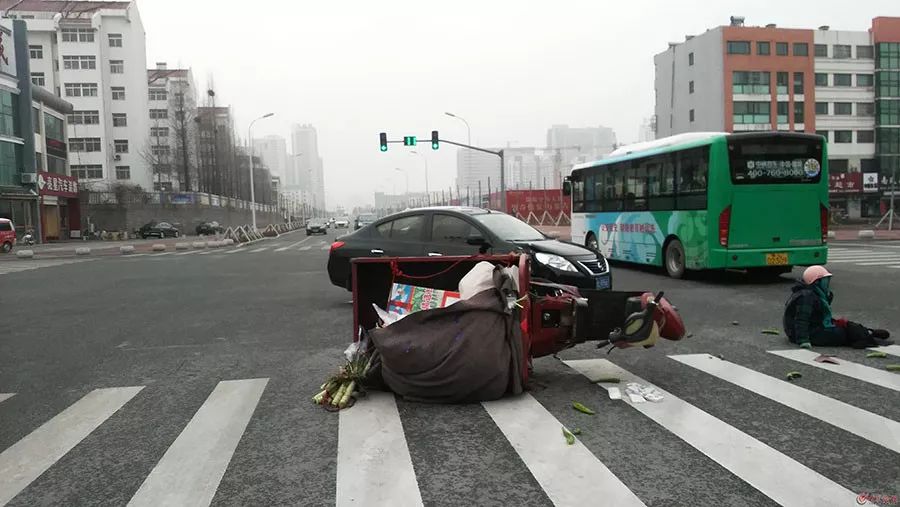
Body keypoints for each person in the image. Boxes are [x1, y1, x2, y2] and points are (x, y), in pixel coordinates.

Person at [783, 266, 890, 349]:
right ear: (816, 282)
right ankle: (868, 336)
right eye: (825, 280)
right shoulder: (807, 296)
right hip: (805, 333)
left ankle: (868, 332)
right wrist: (803, 340)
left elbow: (819, 316)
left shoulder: (814, 293)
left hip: (814, 327)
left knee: (846, 324)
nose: (827, 283)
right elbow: (801, 319)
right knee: (843, 333)